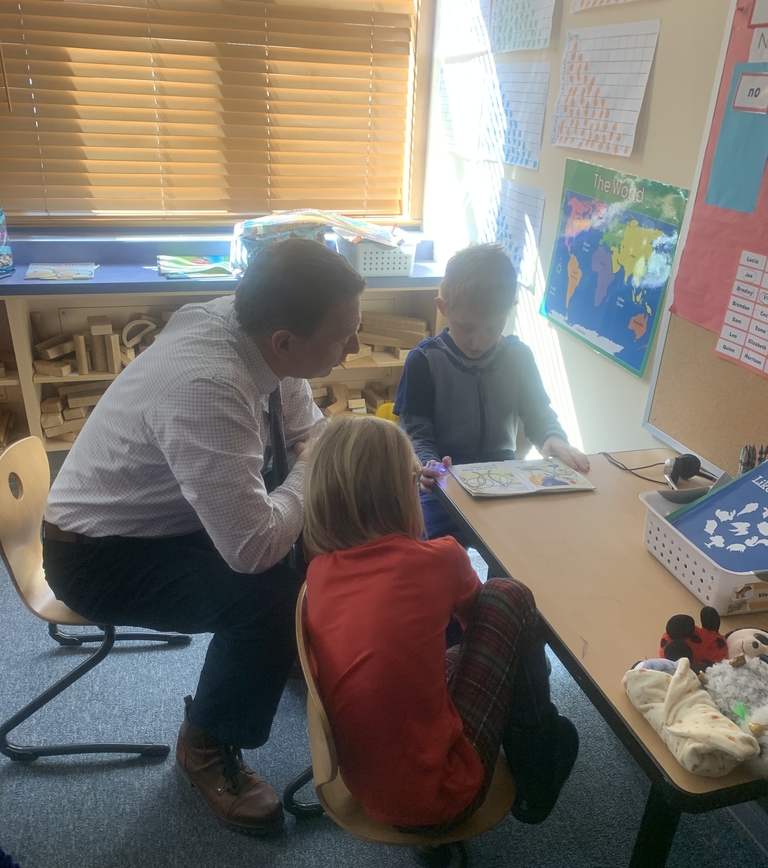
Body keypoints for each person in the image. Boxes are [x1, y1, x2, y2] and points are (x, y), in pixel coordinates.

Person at [42, 239, 366, 835]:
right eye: (342, 338)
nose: (352, 350)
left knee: (293, 530)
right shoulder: (209, 387)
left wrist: (342, 456)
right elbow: (252, 548)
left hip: (157, 519)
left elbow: (305, 426)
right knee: (266, 594)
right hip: (96, 555)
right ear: (285, 341)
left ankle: (273, 660)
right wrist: (315, 466)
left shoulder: (249, 326)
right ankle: (207, 745)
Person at [303, 416, 579, 830]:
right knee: (510, 596)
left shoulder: (318, 572)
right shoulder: (439, 558)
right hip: (439, 796)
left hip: (364, 785)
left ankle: (536, 741)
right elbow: (481, 618)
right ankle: (537, 754)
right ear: (402, 493)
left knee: (448, 653)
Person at [393, 243, 590, 542]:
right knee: (436, 558)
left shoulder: (519, 356)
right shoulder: (423, 360)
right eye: (467, 327)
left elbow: (539, 413)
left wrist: (555, 438)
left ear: (509, 312)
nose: (477, 341)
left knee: (513, 553)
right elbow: (416, 431)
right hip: (443, 482)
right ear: (443, 308)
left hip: (504, 479)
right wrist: (428, 464)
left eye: (492, 328)